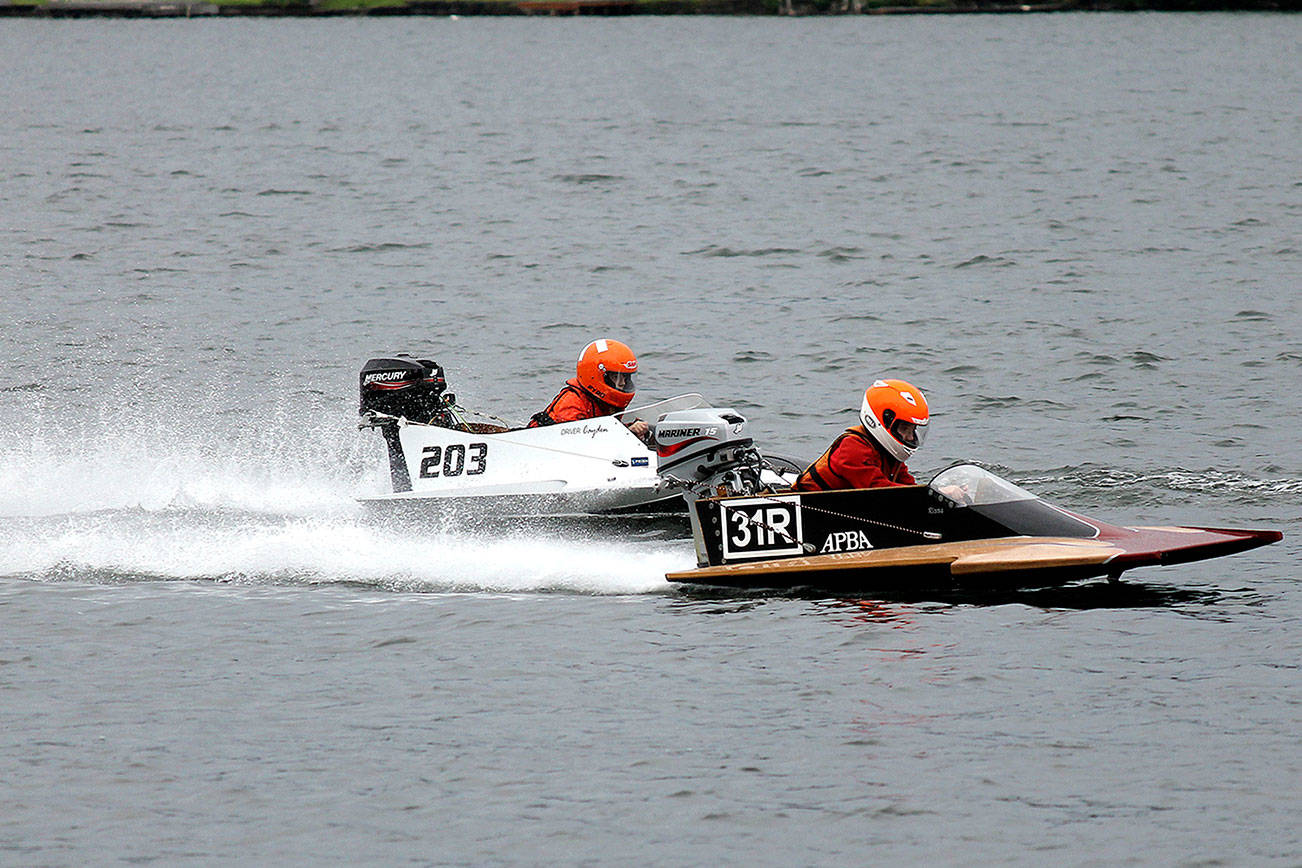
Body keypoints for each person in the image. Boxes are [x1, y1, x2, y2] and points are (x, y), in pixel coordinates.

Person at [792, 378, 929, 491]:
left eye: (912, 430)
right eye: (905, 429)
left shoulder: (890, 455)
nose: (910, 437)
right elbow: (877, 489)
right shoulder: (852, 448)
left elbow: (910, 487)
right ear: (885, 422)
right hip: (806, 507)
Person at [529, 339, 650, 440]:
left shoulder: (604, 403)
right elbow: (574, 442)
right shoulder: (572, 402)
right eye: (616, 377)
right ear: (596, 376)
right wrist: (627, 433)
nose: (623, 383)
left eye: (626, 377)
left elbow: (601, 431)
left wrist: (633, 430)